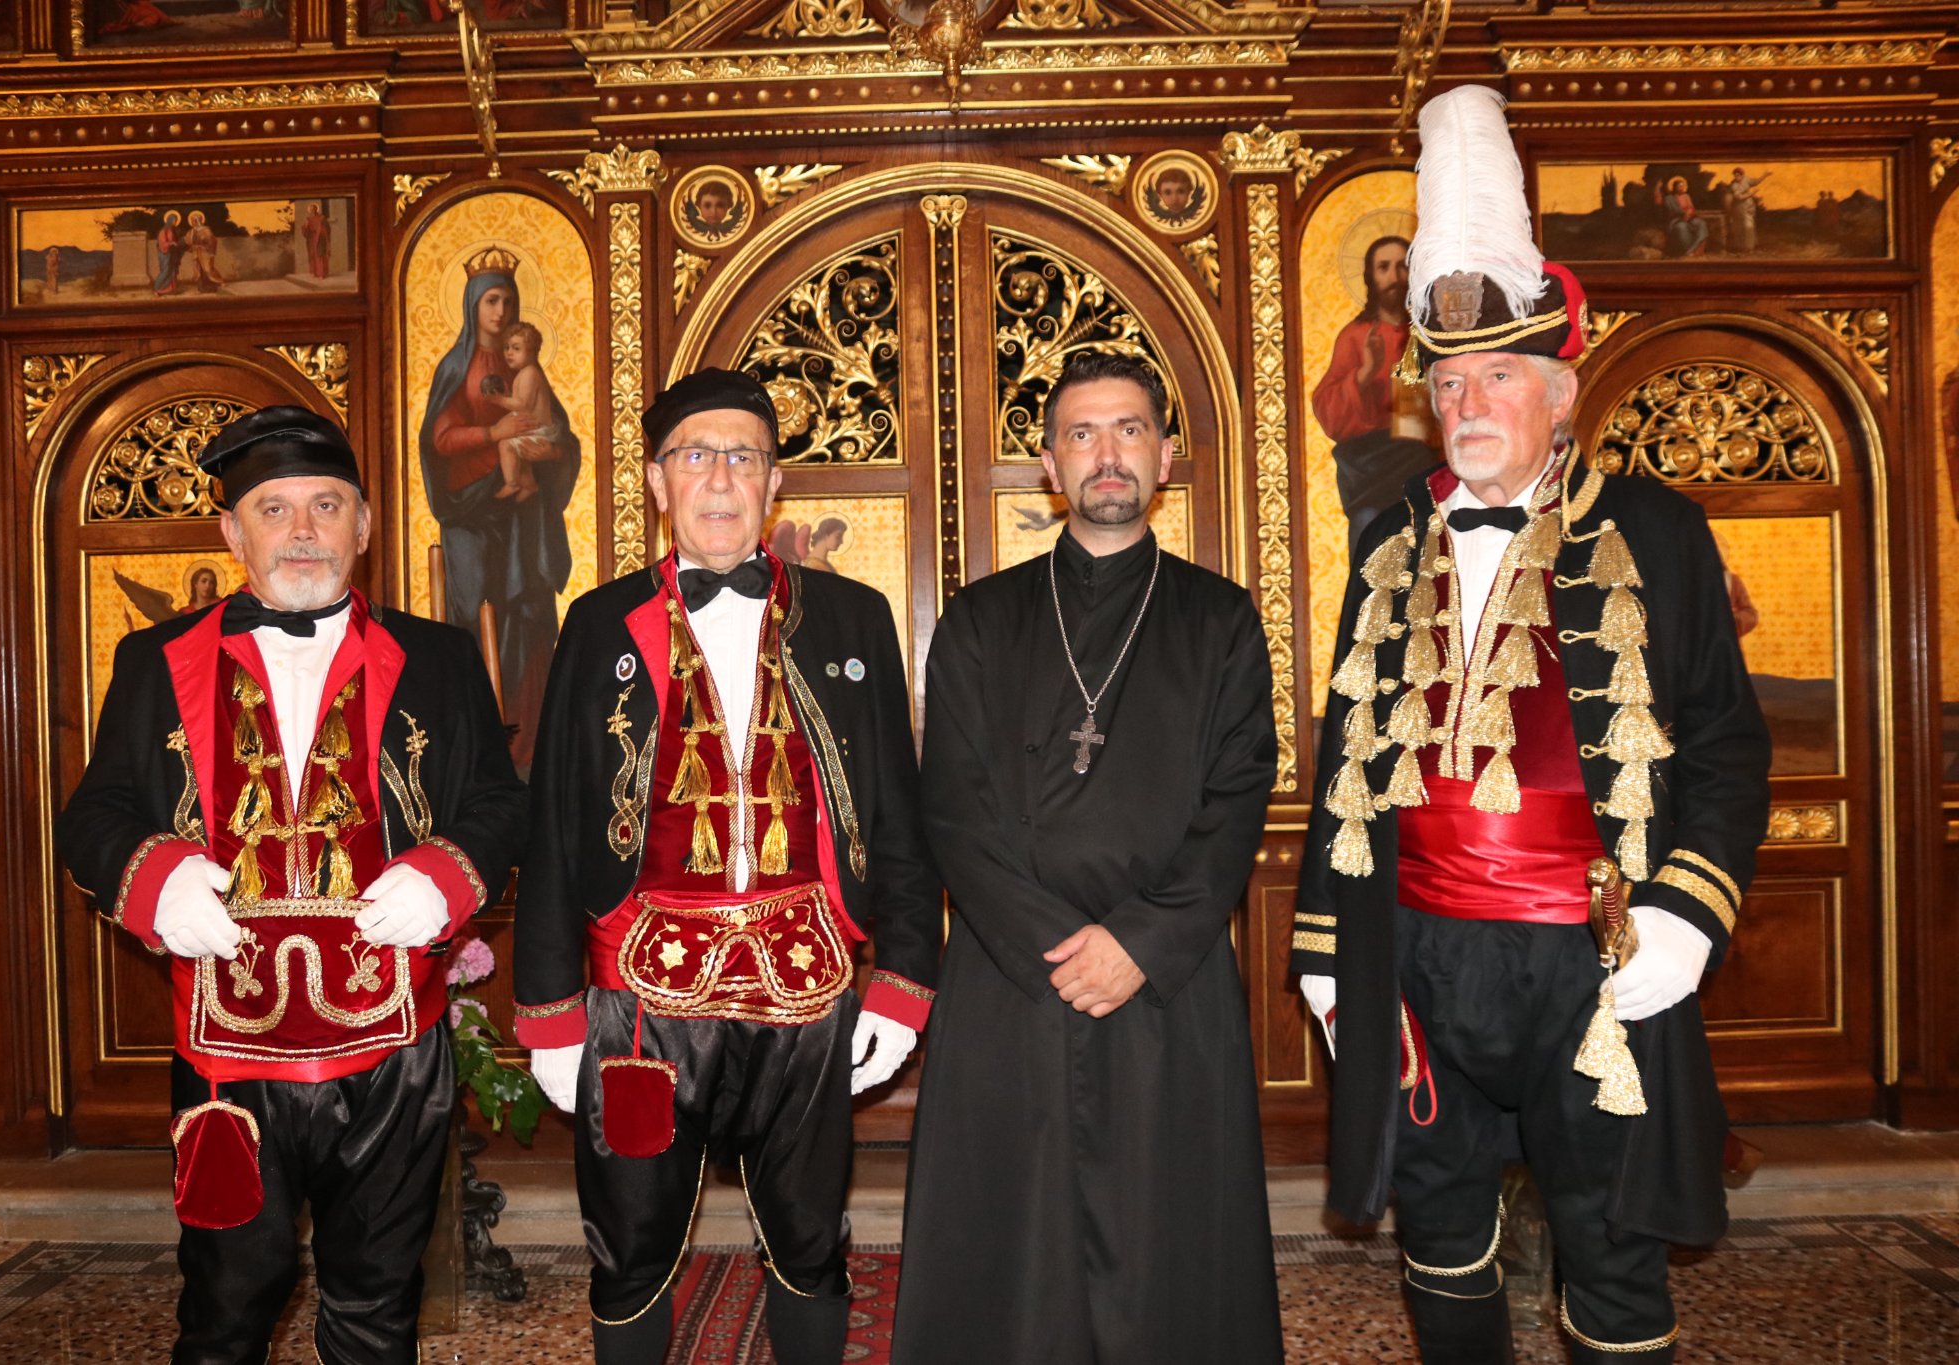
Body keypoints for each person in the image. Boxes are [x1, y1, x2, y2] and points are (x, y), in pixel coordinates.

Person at [1294, 86, 1771, 1364]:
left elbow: (1725, 745)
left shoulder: (1657, 531)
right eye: (1449, 380)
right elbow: (1346, 753)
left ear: (1559, 392)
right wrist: (1327, 945)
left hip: (1593, 959)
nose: (1468, 401)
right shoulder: (1387, 537)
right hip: (1420, 954)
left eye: (1498, 375)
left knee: (1609, 1243)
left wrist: (1687, 911)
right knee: (1436, 1229)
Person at [55, 406, 527, 1364]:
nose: (303, 530)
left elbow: (498, 802)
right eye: (274, 509)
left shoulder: (439, 657)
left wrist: (444, 874)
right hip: (227, 1053)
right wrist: (159, 879)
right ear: (232, 532)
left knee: (377, 1305)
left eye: (327, 505)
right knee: (225, 1307)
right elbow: (94, 815)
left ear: (364, 526)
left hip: (395, 1047)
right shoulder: (152, 659)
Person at [512, 368, 943, 1365]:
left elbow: (897, 814)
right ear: (657, 482)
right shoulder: (597, 624)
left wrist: (901, 985)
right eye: (694, 456)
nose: (718, 477)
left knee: (809, 1239)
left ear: (773, 480)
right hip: (640, 1007)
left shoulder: (853, 617)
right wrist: (550, 1015)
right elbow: (555, 824)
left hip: (808, 992)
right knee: (628, 1247)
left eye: (741, 456)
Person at [893, 350, 1283, 1365]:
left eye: (1127, 430)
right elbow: (953, 810)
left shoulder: (1221, 620)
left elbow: (1237, 799)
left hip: (1167, 979)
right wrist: (1060, 947)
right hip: (1011, 979)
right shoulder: (981, 618)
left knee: (1169, 1248)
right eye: (1081, 434)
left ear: (1164, 455)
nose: (1107, 454)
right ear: (1050, 466)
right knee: (1010, 1256)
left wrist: (1137, 944)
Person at [419, 246, 581, 771]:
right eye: (491, 300)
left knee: (528, 629)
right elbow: (439, 441)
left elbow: (560, 440)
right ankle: (483, 755)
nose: (500, 310)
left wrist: (547, 450)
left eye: (507, 300)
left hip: (524, 523)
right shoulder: (456, 367)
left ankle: (531, 754)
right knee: (476, 624)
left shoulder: (527, 369)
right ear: (472, 305)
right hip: (473, 519)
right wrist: (494, 433)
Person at [1312, 233, 1441, 560]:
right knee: (1368, 534)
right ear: (1371, 277)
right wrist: (1365, 373)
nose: (1394, 276)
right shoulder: (1355, 336)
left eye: (1401, 266)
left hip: (1418, 460)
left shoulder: (1428, 334)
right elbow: (1328, 410)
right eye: (1384, 267)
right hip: (1369, 468)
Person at [487, 320, 560, 503]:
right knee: (520, 457)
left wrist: (500, 400)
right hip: (533, 427)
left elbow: (523, 405)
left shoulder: (530, 374)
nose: (509, 353)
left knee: (506, 445)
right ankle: (529, 485)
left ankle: (512, 483)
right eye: (507, 348)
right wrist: (506, 397)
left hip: (540, 430)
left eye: (516, 348)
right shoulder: (524, 373)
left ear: (532, 351)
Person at [1723, 167, 1770, 254]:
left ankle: (1750, 247)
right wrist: (1751, 194)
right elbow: (1739, 197)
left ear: (1742, 175)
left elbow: (1756, 182)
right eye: (1735, 175)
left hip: (1749, 206)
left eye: (1738, 175)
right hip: (1739, 208)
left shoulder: (1746, 180)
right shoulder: (1734, 185)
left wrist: (1765, 175)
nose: (1736, 177)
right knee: (1742, 227)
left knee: (1749, 227)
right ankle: (1743, 247)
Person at [186, 210, 224, 291]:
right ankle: (202, 287)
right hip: (196, 252)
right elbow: (187, 240)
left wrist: (209, 250)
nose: (192, 222)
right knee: (198, 269)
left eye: (194, 220)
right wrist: (191, 246)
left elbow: (212, 241)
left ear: (198, 221)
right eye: (192, 221)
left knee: (208, 269)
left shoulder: (206, 230)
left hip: (205, 252)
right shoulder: (192, 231)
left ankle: (218, 281)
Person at [152, 209, 185, 295]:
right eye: (174, 220)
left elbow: (176, 240)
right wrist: (172, 243)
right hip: (165, 253)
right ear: (169, 220)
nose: (175, 222)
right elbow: (162, 244)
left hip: (172, 253)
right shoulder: (163, 231)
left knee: (172, 271)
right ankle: (157, 288)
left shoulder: (173, 230)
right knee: (166, 271)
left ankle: (169, 289)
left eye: (175, 221)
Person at [301, 202, 331, 280]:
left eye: (313, 209)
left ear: (316, 209)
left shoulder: (322, 218)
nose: (312, 211)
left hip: (320, 238)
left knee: (320, 255)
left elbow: (327, 228)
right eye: (311, 210)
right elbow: (305, 230)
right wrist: (306, 226)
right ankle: (316, 273)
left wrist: (321, 232)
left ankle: (322, 274)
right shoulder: (308, 219)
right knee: (313, 256)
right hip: (312, 239)